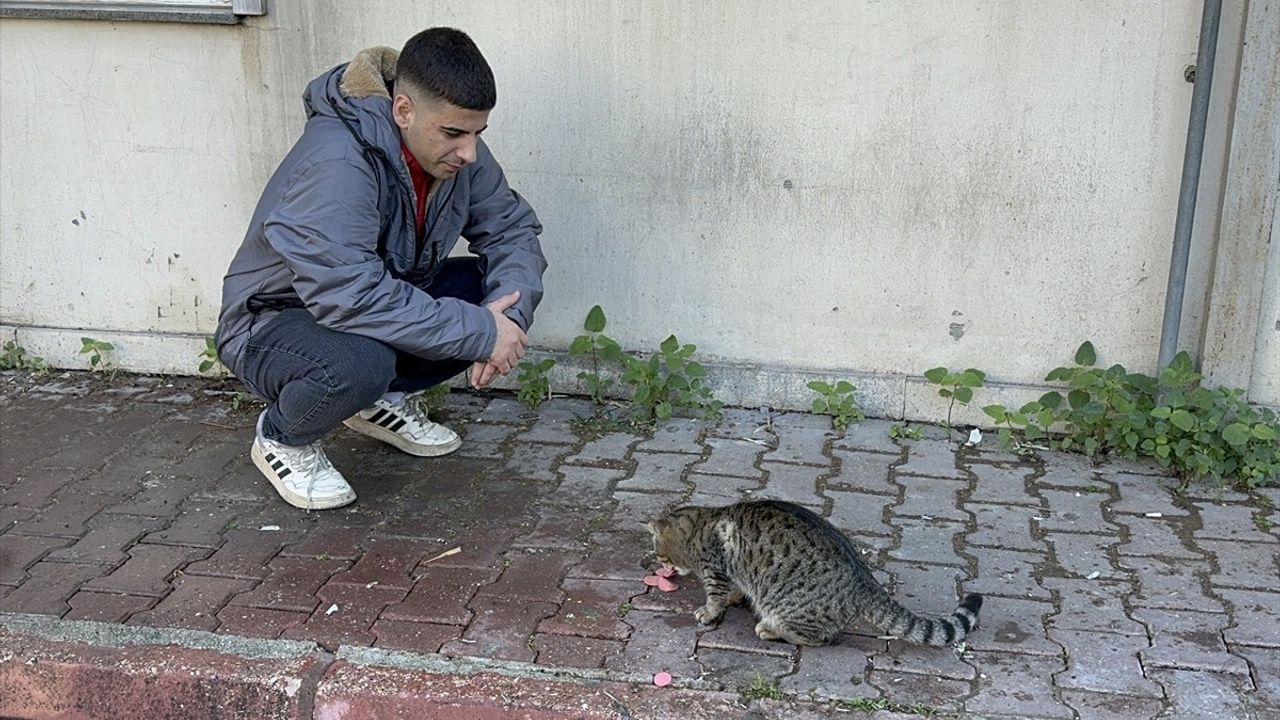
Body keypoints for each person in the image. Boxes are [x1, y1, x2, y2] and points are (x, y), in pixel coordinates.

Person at [214, 28, 546, 511]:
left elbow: (510, 229)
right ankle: (282, 438)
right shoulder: (338, 159)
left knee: (489, 293)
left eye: (477, 133)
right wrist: (479, 333)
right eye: (454, 133)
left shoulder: (457, 152)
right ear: (404, 109)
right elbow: (347, 293)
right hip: (273, 321)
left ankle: (379, 401)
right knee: (359, 363)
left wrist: (506, 318)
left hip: (368, 303)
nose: (469, 152)